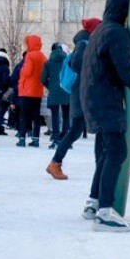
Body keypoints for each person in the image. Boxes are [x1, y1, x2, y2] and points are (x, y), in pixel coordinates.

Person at [80, 0, 130, 232]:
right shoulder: (116, 33)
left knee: (105, 152)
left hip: (93, 98)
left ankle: (94, 202)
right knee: (117, 152)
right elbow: (127, 71)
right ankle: (105, 213)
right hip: (106, 100)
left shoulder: (100, 30)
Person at [47, 18, 99, 180]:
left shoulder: (85, 42)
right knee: (78, 131)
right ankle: (55, 163)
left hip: (82, 93)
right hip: (83, 94)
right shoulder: (84, 43)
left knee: (75, 131)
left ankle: (55, 163)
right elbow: (77, 64)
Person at [17, 35, 47, 148]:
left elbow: (27, 71)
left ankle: (22, 139)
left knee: (24, 116)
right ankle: (36, 139)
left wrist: (22, 70)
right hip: (37, 90)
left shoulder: (29, 55)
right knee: (36, 116)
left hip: (27, 90)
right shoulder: (42, 56)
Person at [41, 42, 70, 148]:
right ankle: (66, 139)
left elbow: (43, 79)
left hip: (53, 92)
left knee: (55, 115)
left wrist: (50, 86)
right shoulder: (67, 61)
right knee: (66, 115)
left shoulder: (48, 63)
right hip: (66, 91)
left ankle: (56, 138)